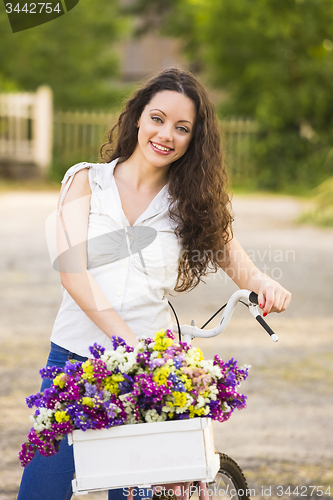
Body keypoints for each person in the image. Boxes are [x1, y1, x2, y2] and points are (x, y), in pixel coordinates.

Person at [17, 67, 291, 500]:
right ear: (138, 118)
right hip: (76, 359)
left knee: (136, 494)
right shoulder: (86, 181)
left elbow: (239, 264)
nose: (166, 134)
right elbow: (73, 274)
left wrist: (265, 285)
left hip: (149, 373)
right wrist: (126, 343)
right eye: (158, 118)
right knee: (42, 490)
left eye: (182, 128)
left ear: (193, 139)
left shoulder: (193, 201)